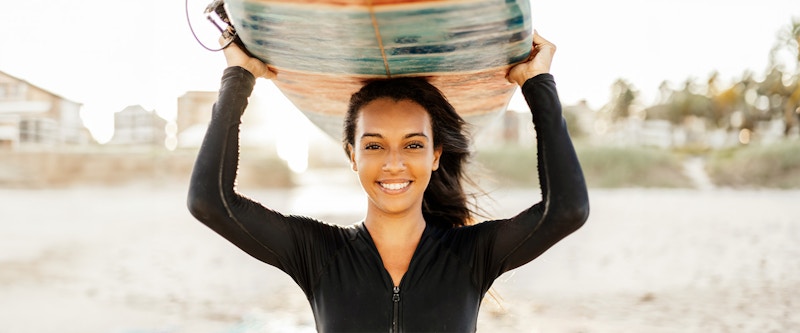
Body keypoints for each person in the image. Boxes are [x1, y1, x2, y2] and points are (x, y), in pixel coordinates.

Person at [187, 31, 589, 332]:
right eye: (375, 146)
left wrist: (537, 84)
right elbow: (210, 201)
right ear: (352, 156)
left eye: (413, 145)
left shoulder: (469, 256)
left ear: (435, 156)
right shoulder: (320, 254)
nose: (394, 164)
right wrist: (238, 76)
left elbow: (567, 211)